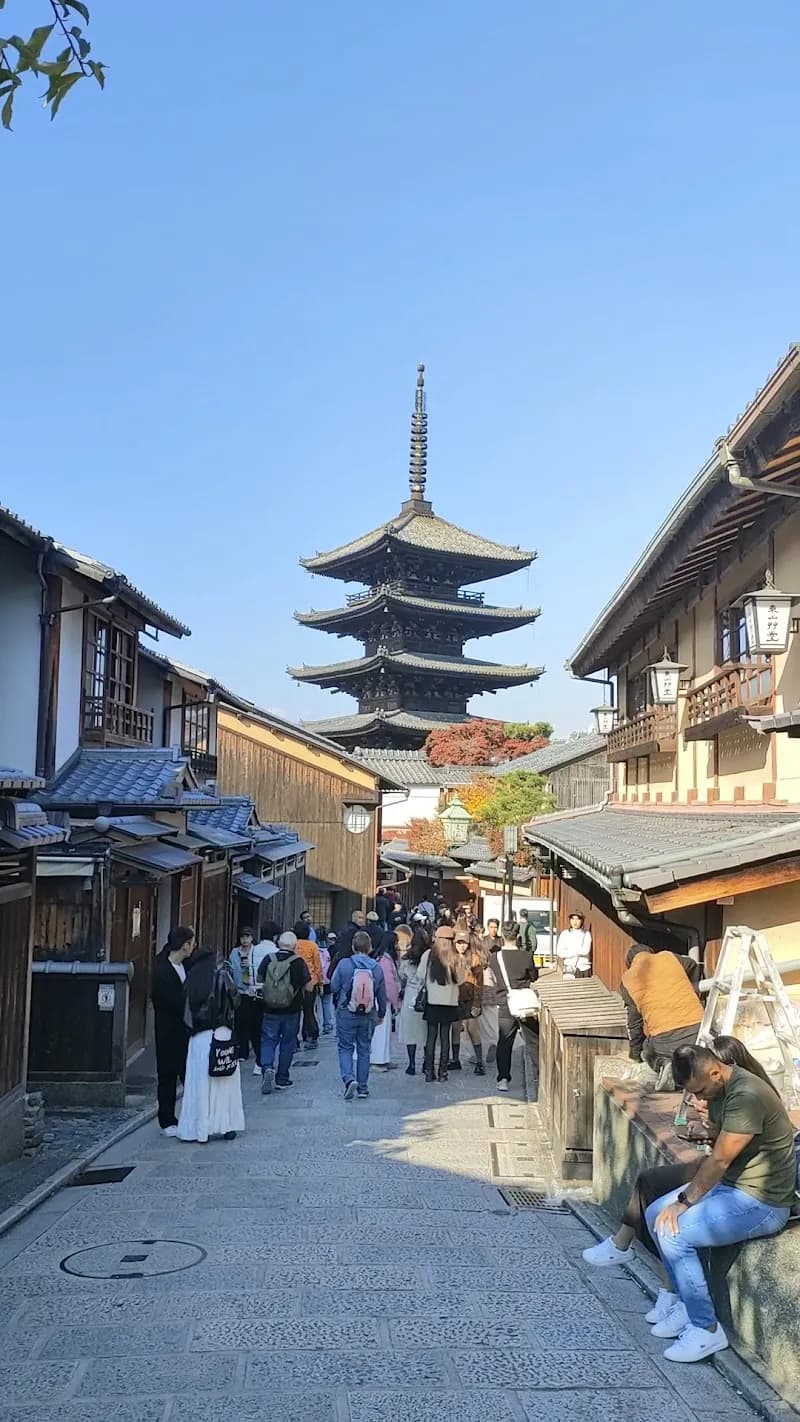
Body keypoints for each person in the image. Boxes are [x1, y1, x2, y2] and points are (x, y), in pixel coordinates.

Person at [635, 1042, 794, 1363]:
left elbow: (721, 1160)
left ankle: (706, 1330)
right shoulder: (721, 1088)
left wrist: (683, 1202)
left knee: (673, 1231)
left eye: (703, 1090)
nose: (700, 1098)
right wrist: (709, 1130)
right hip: (732, 1188)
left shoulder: (746, 1094)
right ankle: (685, 1303)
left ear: (716, 1072)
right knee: (654, 1213)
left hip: (763, 1203)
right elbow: (727, 1141)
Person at [177, 946, 244, 1143]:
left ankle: (200, 1127)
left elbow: (185, 1009)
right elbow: (235, 999)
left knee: (199, 1082)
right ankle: (227, 1124)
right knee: (226, 1081)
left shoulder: (191, 978)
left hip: (199, 1036)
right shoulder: (223, 975)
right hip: (222, 1032)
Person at [621, 945, 703, 1090]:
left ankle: (665, 1065)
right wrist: (691, 987)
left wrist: (635, 1055)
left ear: (630, 963)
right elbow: (693, 964)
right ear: (651, 952)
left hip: (665, 1039)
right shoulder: (668, 957)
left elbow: (634, 1025)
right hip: (698, 1029)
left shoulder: (628, 979)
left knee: (646, 1049)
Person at [330, 929, 387, 1099]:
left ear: (353, 947)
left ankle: (348, 1079)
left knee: (345, 1047)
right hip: (368, 1014)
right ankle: (363, 1087)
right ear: (370, 948)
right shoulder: (376, 968)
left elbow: (333, 986)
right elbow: (381, 995)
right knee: (364, 1049)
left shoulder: (344, 964)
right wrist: (381, 1014)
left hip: (346, 1011)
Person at [151, 926, 194, 1136]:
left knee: (189, 1074)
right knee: (167, 1075)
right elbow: (169, 1002)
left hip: (185, 1030)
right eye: (191, 943)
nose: (193, 947)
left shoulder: (186, 965)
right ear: (185, 945)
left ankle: (190, 1115)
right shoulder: (161, 970)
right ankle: (166, 1120)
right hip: (168, 1028)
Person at [258, 930, 311, 1093]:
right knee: (287, 1043)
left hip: (269, 1008)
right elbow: (308, 986)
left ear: (278, 943)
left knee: (268, 1040)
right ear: (295, 946)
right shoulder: (298, 962)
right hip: (292, 1010)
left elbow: (260, 980)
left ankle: (267, 1067)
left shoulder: (268, 959)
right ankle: (282, 1078)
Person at [494, 920, 539, 1092]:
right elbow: (534, 976)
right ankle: (539, 1075)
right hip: (525, 1004)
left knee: (505, 1041)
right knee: (533, 1041)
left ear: (502, 936)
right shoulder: (526, 956)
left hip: (506, 1003)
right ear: (518, 936)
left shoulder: (495, 958)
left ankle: (503, 1078)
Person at [418, 926, 461, 1083]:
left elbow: (420, 975)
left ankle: (429, 1072)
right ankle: (443, 1072)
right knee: (445, 1038)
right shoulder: (456, 957)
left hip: (432, 1002)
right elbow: (461, 980)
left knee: (431, 1038)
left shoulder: (429, 955)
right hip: (450, 1002)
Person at [449, 924, 485, 1075]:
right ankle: (455, 1060)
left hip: (470, 999)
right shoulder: (451, 959)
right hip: (455, 998)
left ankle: (479, 1062)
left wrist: (477, 1003)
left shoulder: (475, 959)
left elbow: (479, 983)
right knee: (455, 1029)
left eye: (464, 943)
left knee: (472, 1029)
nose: (461, 946)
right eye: (458, 943)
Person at [229, 927, 265, 1076]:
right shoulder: (234, 953)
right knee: (239, 1021)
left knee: (252, 1023)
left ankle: (254, 1051)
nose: (244, 940)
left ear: (252, 938)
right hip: (239, 991)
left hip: (252, 991)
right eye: (242, 937)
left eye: (247, 937)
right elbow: (232, 970)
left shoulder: (255, 952)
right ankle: (242, 1051)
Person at [396, 923, 425, 1074]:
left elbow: (401, 976)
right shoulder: (428, 956)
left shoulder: (407, 958)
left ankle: (412, 1064)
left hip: (410, 994)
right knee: (426, 1030)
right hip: (426, 995)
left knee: (410, 1032)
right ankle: (427, 1063)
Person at [371, 934, 400, 1070]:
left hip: (380, 999)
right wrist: (396, 1002)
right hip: (382, 1000)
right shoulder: (385, 961)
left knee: (384, 1031)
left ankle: (384, 1058)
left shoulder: (380, 958)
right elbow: (389, 984)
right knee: (381, 1031)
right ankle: (377, 1060)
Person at [294, 921, 323, 1050]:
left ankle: (293, 1039)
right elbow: (318, 966)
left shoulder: (293, 945)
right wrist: (321, 983)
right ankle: (311, 1036)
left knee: (294, 1011)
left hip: (294, 982)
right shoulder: (313, 946)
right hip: (311, 981)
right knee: (309, 1010)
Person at [555, 912, 592, 978]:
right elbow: (560, 952)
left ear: (582, 921)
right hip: (569, 967)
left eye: (577, 919)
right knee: (570, 987)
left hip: (583, 967)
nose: (575, 922)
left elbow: (585, 951)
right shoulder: (565, 933)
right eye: (572, 919)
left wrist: (568, 950)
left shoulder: (586, 934)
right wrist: (576, 952)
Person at [318, 933, 335, 1034]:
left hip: (316, 980)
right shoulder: (328, 952)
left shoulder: (315, 951)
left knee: (315, 1005)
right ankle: (327, 1024)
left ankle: (316, 1024)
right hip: (327, 980)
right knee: (327, 1003)